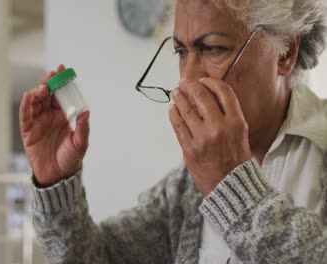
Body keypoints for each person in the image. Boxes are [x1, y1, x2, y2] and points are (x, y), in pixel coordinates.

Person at [19, 0, 327, 263]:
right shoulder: (185, 187)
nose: (187, 79)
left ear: (285, 51)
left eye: (213, 48)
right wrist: (56, 182)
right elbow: (96, 257)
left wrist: (230, 185)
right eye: (181, 52)